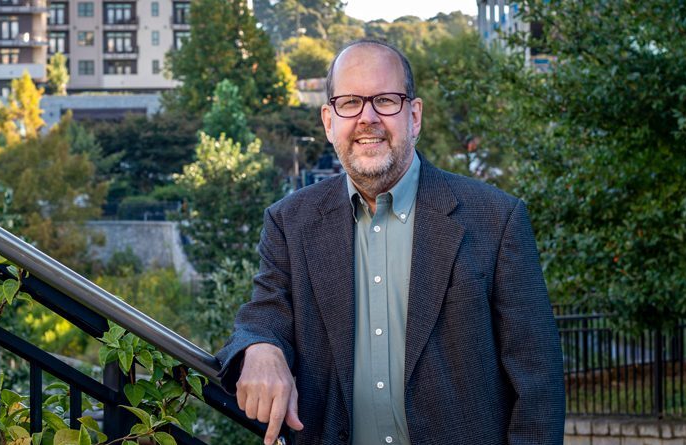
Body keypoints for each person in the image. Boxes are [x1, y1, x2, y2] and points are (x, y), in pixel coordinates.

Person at [216, 39, 564, 445]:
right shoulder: (289, 222)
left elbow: (538, 384)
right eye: (349, 102)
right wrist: (260, 349)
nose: (368, 118)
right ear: (329, 121)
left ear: (414, 116)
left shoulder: (496, 219)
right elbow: (264, 314)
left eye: (385, 100)